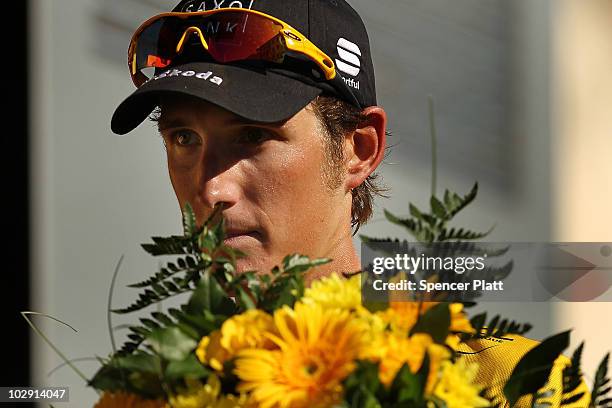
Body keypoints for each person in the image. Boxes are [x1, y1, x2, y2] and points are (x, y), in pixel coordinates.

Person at [110, 0, 589, 406]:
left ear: (359, 149)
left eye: (253, 136)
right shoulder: (147, 392)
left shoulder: (512, 386)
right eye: (183, 137)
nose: (212, 189)